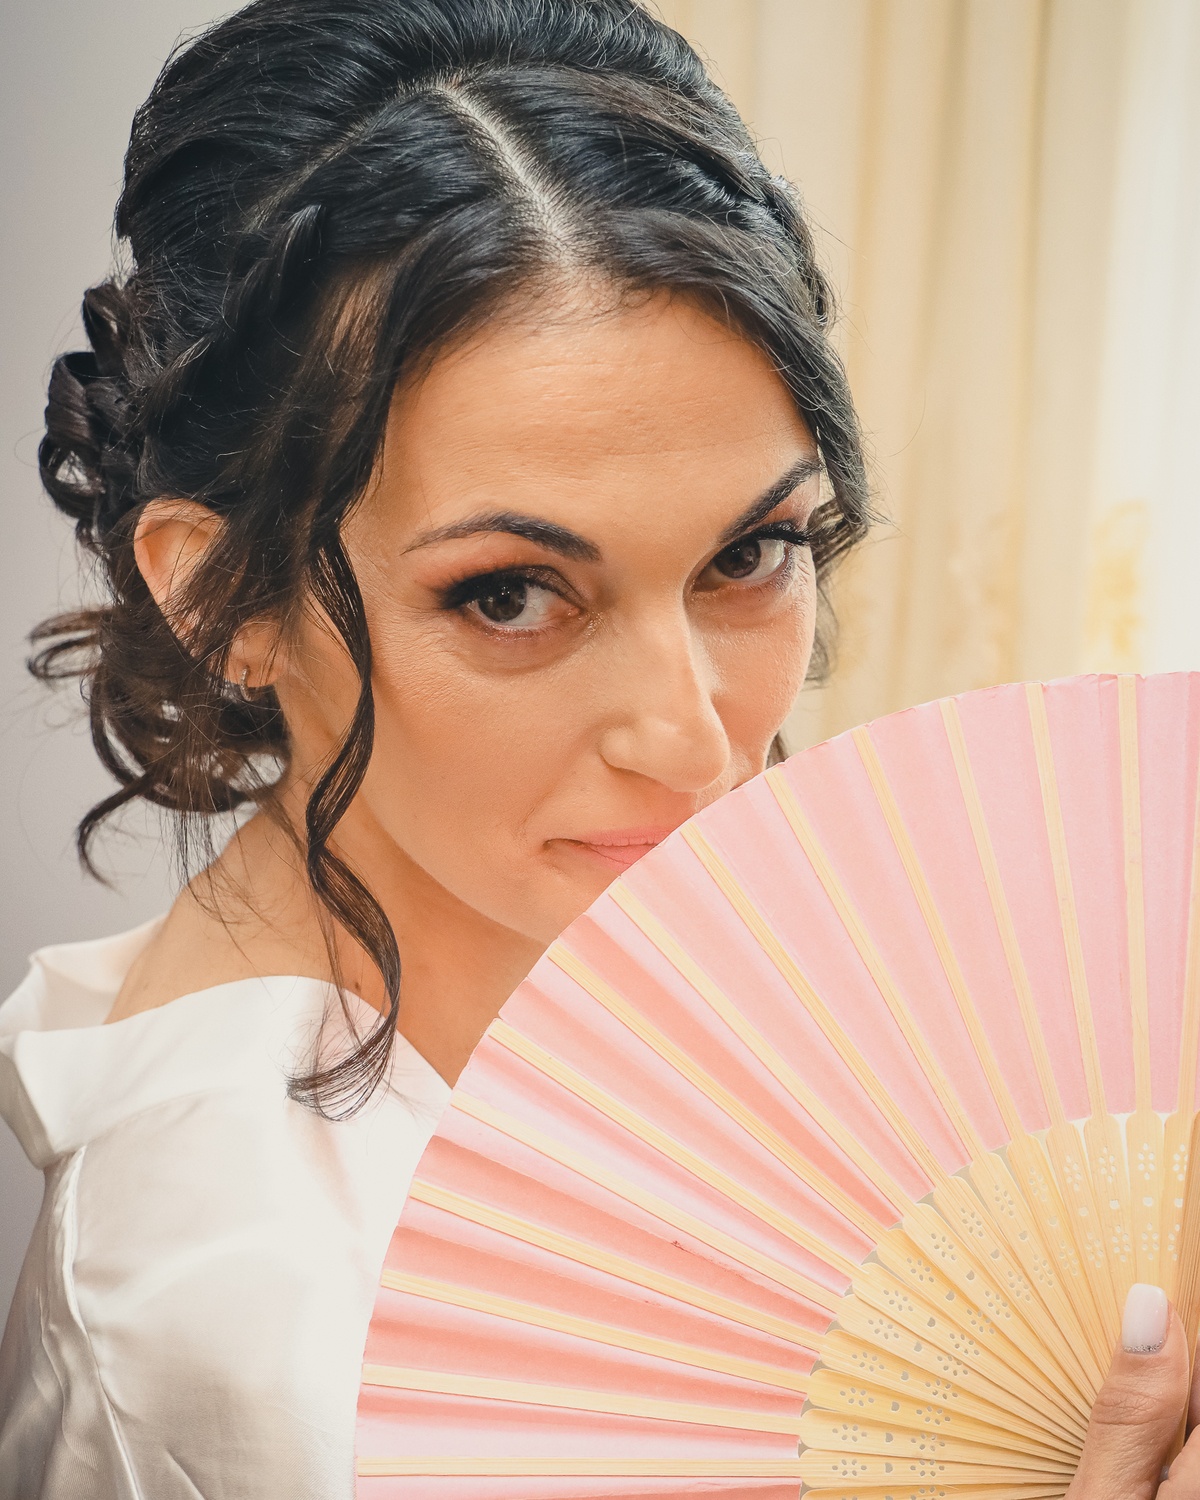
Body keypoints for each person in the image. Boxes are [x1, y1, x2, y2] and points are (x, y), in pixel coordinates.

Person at [0, 1, 1194, 1496]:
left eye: (750, 553)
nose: (692, 740)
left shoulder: (643, 957)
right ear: (219, 595)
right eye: (509, 595)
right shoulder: (285, 1331)